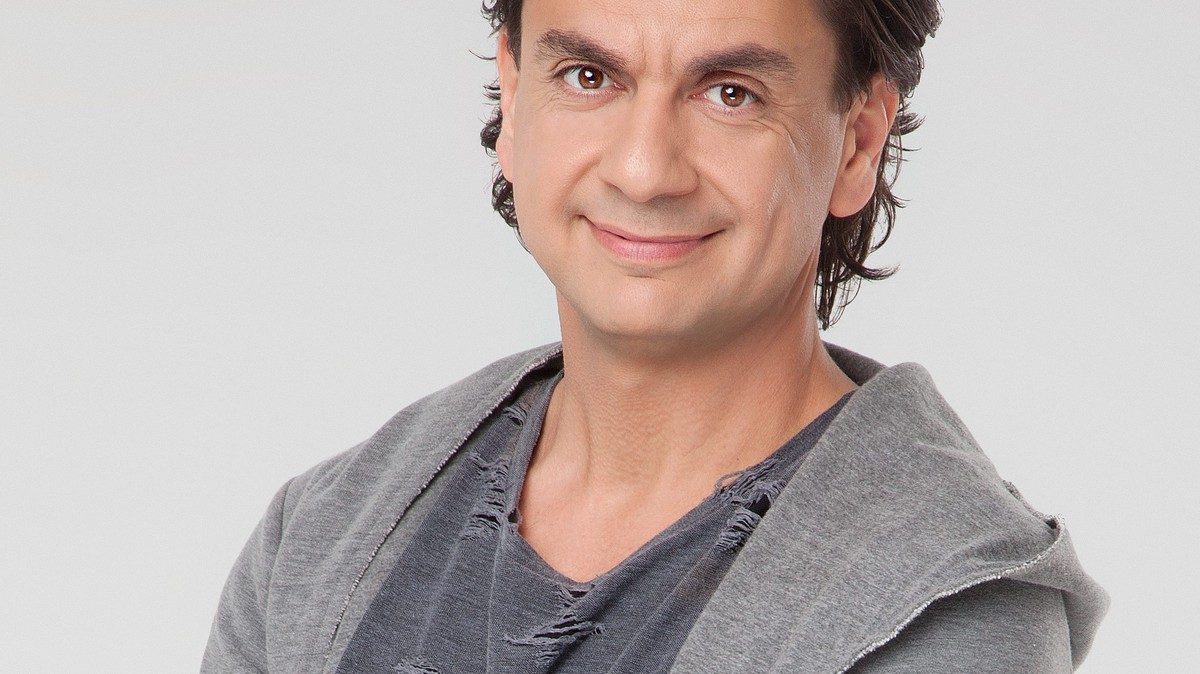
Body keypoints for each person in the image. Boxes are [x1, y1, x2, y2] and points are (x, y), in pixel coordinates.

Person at [202, 0, 1108, 671]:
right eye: (589, 77)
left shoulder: (941, 612)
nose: (643, 170)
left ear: (858, 142)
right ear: (513, 95)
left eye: (731, 94)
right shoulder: (318, 537)